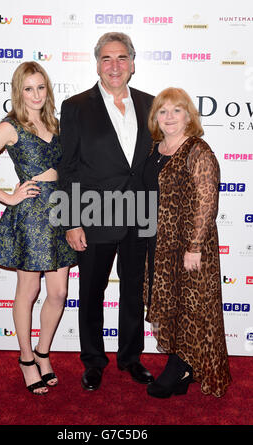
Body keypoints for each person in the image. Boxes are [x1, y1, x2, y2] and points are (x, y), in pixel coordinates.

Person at [0, 61, 76, 395]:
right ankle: (26, 358)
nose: (36, 94)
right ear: (19, 91)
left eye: (41, 87)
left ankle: (43, 352)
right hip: (31, 215)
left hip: (60, 210)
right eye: (29, 88)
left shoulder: (57, 123)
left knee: (58, 293)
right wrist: (8, 198)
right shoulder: (11, 126)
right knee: (28, 291)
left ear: (48, 89)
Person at [58, 32, 154, 391]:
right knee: (92, 292)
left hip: (140, 213)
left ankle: (130, 358)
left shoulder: (150, 103)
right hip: (93, 214)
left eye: (122, 58)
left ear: (132, 62)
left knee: (133, 290)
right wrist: (71, 220)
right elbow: (67, 168)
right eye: (107, 59)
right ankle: (93, 361)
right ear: (97, 63)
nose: (115, 66)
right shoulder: (76, 106)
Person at [143, 87, 231, 398]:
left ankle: (180, 366)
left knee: (192, 306)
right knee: (172, 304)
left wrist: (194, 246)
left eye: (176, 110)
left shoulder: (198, 150)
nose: (169, 117)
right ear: (155, 117)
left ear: (188, 116)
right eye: (162, 111)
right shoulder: (156, 149)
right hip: (159, 243)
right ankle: (181, 366)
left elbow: (208, 201)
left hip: (189, 245)